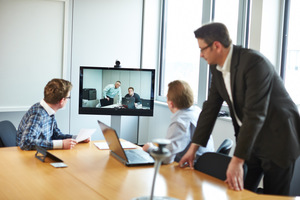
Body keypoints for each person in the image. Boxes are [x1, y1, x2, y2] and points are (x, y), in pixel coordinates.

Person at [178, 22, 300, 196]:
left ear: (217, 46)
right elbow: (210, 107)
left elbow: (255, 114)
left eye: (202, 49)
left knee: (275, 197)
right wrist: (193, 147)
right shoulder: (217, 68)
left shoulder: (254, 63)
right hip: (251, 140)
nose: (201, 55)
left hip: (279, 139)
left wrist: (236, 160)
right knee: (238, 191)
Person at [143, 80, 214, 164]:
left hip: (190, 169)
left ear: (171, 103)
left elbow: (166, 159)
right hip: (205, 165)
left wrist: (150, 148)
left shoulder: (180, 122)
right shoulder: (197, 111)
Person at [17, 78, 90, 150]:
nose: (68, 100)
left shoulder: (49, 110)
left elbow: (56, 135)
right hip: (28, 157)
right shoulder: (38, 115)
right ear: (62, 100)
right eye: (68, 97)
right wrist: (61, 144)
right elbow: (26, 142)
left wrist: (78, 138)